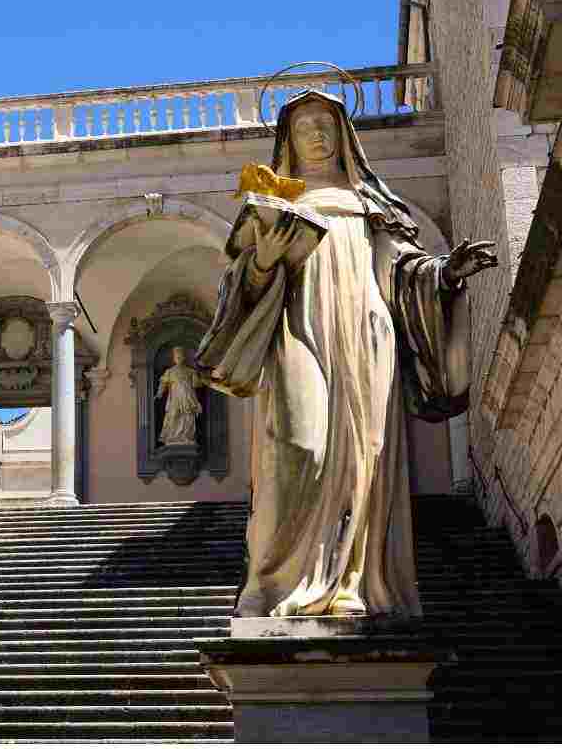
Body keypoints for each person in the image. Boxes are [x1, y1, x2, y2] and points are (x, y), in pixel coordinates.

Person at [196, 90, 497, 618]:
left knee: (365, 458)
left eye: (325, 124)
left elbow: (400, 271)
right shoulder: (276, 201)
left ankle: (351, 585)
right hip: (298, 327)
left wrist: (445, 273)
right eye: (304, 126)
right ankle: (273, 587)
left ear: (343, 135)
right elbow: (240, 286)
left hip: (363, 331)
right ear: (286, 139)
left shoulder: (371, 201)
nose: (316, 134)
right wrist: (263, 260)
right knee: (298, 446)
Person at [156, 346, 204, 446]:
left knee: (187, 417)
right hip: (175, 398)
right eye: (177, 357)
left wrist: (197, 378)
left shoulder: (190, 371)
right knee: (173, 416)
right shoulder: (170, 371)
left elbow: (197, 384)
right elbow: (163, 383)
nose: (179, 358)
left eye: (180, 356)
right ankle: (173, 437)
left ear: (184, 358)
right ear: (174, 359)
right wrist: (159, 393)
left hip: (188, 397)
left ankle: (187, 436)